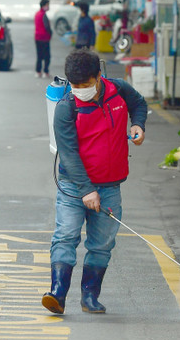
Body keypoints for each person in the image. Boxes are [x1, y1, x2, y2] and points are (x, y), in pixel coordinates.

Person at [43, 50, 147, 315]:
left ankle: (90, 296)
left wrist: (138, 125)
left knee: (102, 244)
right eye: (75, 85)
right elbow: (68, 154)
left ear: (98, 76)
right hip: (73, 186)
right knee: (66, 235)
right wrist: (87, 190)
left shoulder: (118, 90)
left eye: (86, 84)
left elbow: (139, 103)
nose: (80, 90)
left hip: (110, 185)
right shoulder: (66, 107)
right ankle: (57, 294)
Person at [34, 0, 52, 78]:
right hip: (44, 38)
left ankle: (38, 71)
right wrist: (50, 33)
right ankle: (45, 71)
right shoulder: (43, 15)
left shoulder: (37, 14)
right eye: (48, 5)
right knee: (47, 56)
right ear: (44, 5)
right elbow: (47, 27)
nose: (48, 6)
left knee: (39, 55)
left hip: (37, 37)